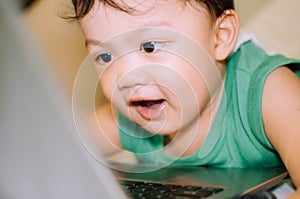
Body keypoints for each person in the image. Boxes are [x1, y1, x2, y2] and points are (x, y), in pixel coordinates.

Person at [71, 0, 300, 198]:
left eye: (149, 47)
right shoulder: (129, 115)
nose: (126, 77)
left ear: (220, 37)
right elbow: (58, 148)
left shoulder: (266, 91)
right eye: (105, 56)